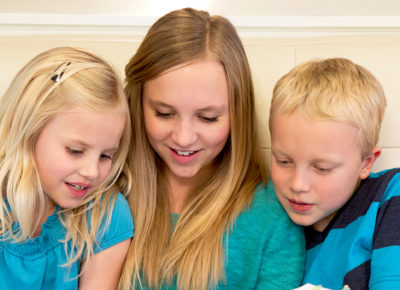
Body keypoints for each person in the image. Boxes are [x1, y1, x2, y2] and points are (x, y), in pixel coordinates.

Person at [120, 7, 305, 290]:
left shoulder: (272, 221)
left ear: (237, 113)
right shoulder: (108, 194)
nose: (183, 138)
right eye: (164, 113)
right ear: (138, 103)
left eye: (208, 118)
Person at [0, 47, 134, 289]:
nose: (92, 171)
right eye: (75, 151)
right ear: (27, 131)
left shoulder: (106, 214)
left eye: (105, 155)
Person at [269, 57, 400, 290]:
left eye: (322, 168)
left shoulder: (390, 196)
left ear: (366, 163)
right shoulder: (269, 218)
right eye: (284, 161)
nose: (298, 184)